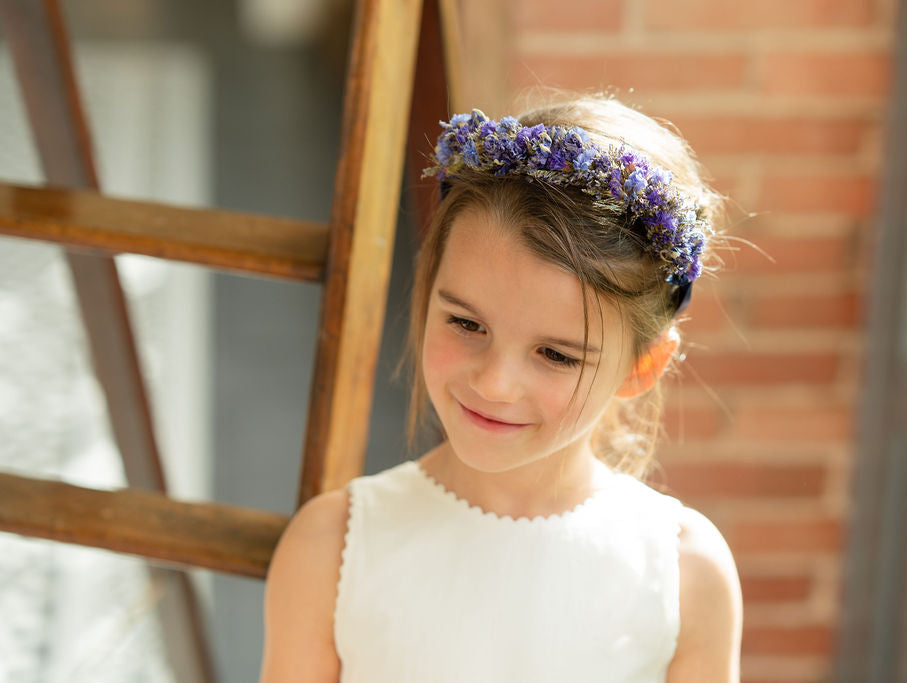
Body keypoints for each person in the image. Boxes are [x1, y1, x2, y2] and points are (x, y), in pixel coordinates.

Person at [259, 94, 742, 683]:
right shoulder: (333, 549)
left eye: (556, 354)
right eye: (466, 324)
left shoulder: (683, 573)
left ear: (642, 367)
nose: (494, 382)